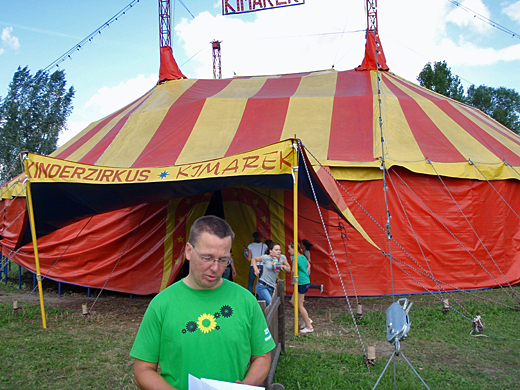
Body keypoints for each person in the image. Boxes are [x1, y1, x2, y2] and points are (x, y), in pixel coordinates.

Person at [130, 216, 275, 390]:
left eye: (223, 260)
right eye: (207, 258)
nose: (215, 268)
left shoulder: (246, 301)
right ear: (189, 251)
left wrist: (245, 386)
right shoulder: (161, 304)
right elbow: (143, 370)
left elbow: (262, 356)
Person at [252, 241, 291, 306]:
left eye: (279, 250)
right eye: (276, 250)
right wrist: (256, 269)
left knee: (260, 306)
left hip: (271, 287)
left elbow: (289, 269)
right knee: (270, 304)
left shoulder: (282, 258)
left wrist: (284, 267)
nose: (278, 251)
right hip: (262, 285)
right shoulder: (266, 257)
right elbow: (253, 259)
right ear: (270, 251)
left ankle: (253, 313)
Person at [289, 242, 314, 334]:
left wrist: (293, 281)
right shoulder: (303, 256)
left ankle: (309, 326)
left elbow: (293, 271)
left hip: (301, 283)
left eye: (289, 249)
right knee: (292, 301)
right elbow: (309, 265)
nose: (288, 251)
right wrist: (305, 273)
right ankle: (306, 318)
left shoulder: (295, 258)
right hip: (305, 281)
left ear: (294, 249)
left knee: (300, 305)